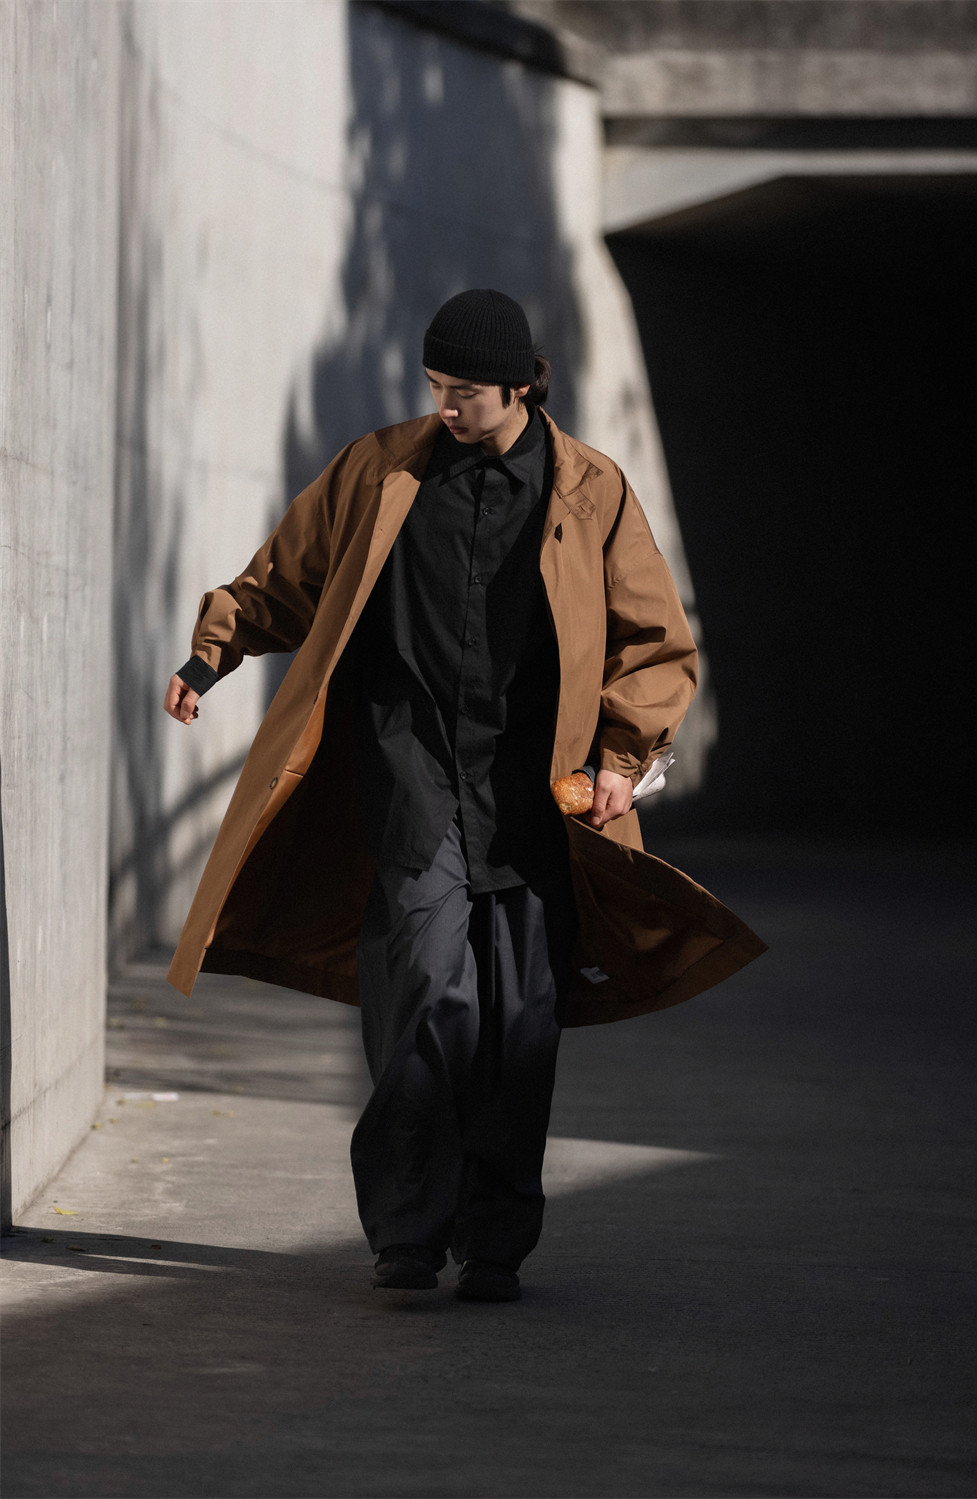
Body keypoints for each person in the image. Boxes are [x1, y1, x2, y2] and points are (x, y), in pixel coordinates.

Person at [164, 289, 763, 1303]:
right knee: (419, 998)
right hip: (412, 781)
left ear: (520, 387)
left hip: (538, 799)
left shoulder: (590, 491)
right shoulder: (380, 470)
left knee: (519, 1023)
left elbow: (654, 637)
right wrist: (211, 652)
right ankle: (408, 1230)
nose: (445, 406)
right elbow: (289, 574)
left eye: (466, 391)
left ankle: (494, 1242)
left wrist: (623, 755)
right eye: (435, 385)